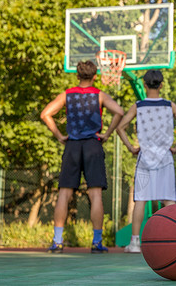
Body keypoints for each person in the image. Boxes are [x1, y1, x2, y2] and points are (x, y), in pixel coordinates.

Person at [40, 60, 124, 253]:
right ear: (95, 76)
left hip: (72, 146)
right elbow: (119, 112)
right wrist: (107, 133)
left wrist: (60, 136)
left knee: (64, 193)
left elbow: (46, 114)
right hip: (93, 145)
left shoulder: (67, 95)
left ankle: (57, 241)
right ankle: (96, 242)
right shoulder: (99, 95)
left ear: (77, 76)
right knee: (95, 194)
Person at [116, 69, 176, 253]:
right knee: (169, 200)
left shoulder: (138, 106)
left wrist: (131, 148)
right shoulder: (170, 106)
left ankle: (135, 243)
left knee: (141, 200)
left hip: (144, 158)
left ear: (144, 84)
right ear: (162, 84)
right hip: (165, 157)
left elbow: (120, 128)